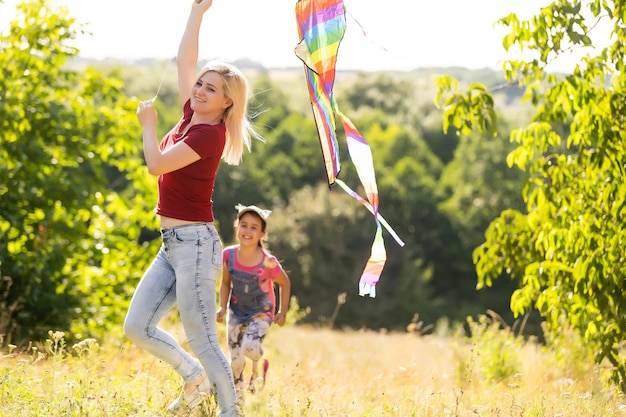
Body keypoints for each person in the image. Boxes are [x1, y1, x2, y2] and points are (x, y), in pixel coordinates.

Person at [123, 1, 262, 415]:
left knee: (203, 339)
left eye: (211, 89)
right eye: (200, 84)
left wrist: (149, 126)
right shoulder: (191, 116)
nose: (199, 90)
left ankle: (230, 411)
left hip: (196, 246)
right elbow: (185, 59)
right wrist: (197, 12)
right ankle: (193, 377)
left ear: (226, 104)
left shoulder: (208, 135)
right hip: (172, 245)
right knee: (137, 327)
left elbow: (156, 165)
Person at [216, 204, 291, 400]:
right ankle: (237, 403)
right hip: (236, 311)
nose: (247, 231)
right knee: (235, 362)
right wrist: (222, 307)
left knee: (250, 346)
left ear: (262, 234)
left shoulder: (268, 262)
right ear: (236, 228)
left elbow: (285, 283)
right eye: (244, 225)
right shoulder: (228, 256)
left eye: (254, 227)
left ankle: (259, 367)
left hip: (261, 312)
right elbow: (225, 283)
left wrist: (282, 312)